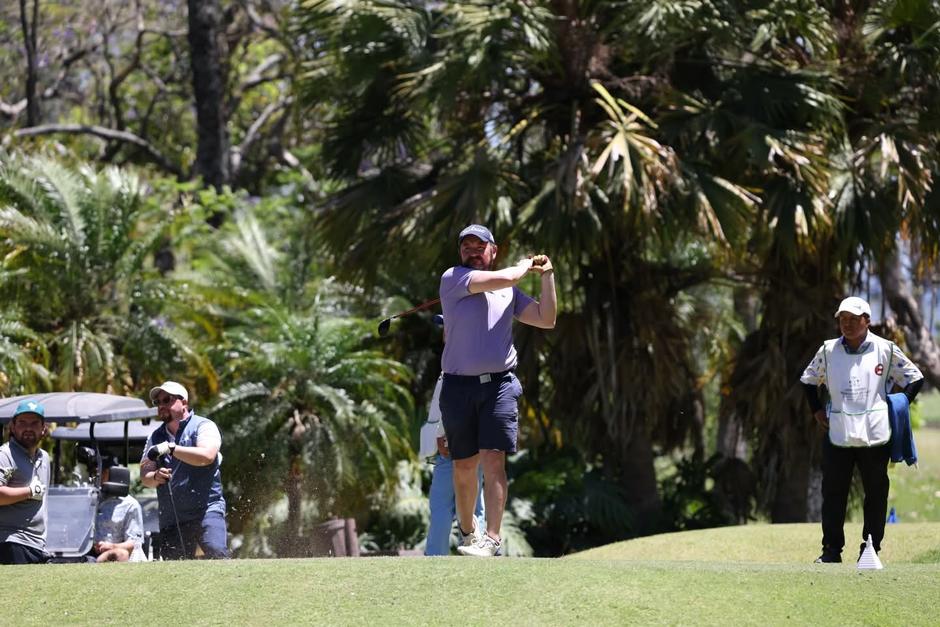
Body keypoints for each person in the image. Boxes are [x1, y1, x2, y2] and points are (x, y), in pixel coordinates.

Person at [439, 224, 556, 557]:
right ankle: (468, 532)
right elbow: (508, 277)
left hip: (499, 386)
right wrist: (525, 265)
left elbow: (546, 318)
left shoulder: (508, 292)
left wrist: (547, 276)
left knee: (493, 461)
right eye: (467, 247)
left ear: (493, 251)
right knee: (464, 467)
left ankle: (491, 538)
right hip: (458, 387)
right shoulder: (454, 278)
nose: (473, 253)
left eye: (480, 247)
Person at [800, 296, 924, 564]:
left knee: (876, 493)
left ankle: (870, 549)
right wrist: (816, 410)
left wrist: (899, 405)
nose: (847, 324)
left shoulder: (885, 349)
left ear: (867, 321)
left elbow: (914, 378)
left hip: (875, 434)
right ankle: (831, 551)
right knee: (833, 493)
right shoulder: (828, 350)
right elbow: (808, 380)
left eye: (854, 319)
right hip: (838, 432)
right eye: (843, 319)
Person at [140, 381, 228, 559]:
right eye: (158, 402)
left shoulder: (204, 426)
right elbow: (145, 476)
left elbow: (207, 456)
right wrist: (155, 476)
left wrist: (171, 448)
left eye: (167, 400)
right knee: (174, 568)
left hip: (207, 510)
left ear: (184, 402)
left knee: (217, 554)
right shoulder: (154, 437)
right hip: (172, 517)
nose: (161, 405)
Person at [421, 374, 485, 556]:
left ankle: (435, 556)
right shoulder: (485, 370)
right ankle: (474, 552)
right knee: (473, 504)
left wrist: (440, 433)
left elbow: (443, 403)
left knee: (442, 506)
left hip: (450, 444)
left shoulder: (451, 368)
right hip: (474, 446)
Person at [0, 399, 51, 564]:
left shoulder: (44, 457)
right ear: (13, 427)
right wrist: (29, 492)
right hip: (11, 542)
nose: (28, 428)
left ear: (43, 428)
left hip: (38, 545)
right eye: (22, 423)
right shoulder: (5, 455)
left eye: (34, 423)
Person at [93, 458, 146, 562]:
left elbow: (135, 543)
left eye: (101, 472)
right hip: (86, 554)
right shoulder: (88, 500)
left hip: (115, 557)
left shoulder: (130, 505)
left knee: (120, 553)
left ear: (111, 473)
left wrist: (112, 546)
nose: (96, 477)